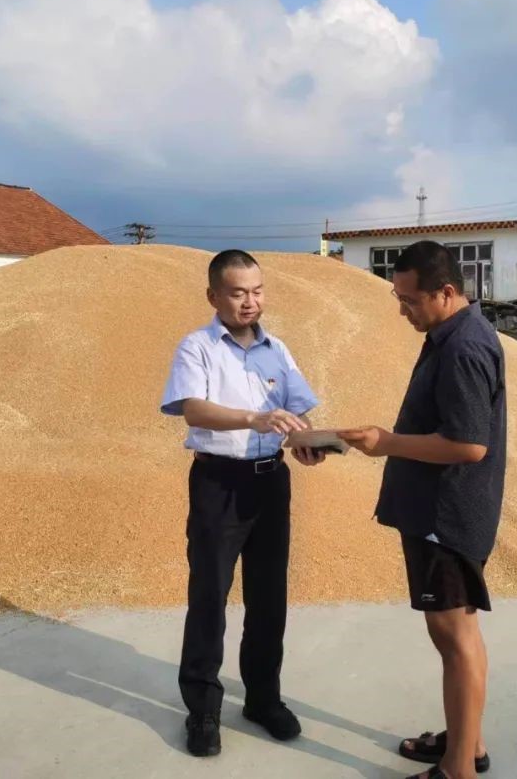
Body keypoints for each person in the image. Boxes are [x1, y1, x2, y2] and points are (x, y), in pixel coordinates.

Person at [339, 240, 506, 779]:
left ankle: (458, 769)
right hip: (443, 511)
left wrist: (386, 442)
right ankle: (467, 742)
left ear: (446, 292)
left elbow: (468, 444)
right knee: (459, 633)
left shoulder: (464, 348)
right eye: (399, 298)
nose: (402, 310)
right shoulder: (451, 334)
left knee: (454, 637)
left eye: (410, 300)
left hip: (446, 517)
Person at [160, 249, 326, 758]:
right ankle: (202, 709)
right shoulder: (197, 347)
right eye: (237, 293)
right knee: (209, 596)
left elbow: (297, 413)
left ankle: (263, 699)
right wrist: (254, 418)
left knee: (269, 596)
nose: (249, 301)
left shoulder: (279, 350)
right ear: (214, 296)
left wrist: (307, 442)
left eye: (256, 291)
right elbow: (193, 410)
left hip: (270, 483)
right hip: (219, 483)